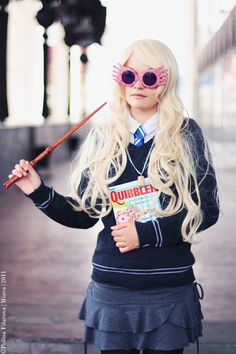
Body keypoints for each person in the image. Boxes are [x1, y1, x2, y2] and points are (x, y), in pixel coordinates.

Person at [9, 39, 220, 354]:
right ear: (119, 79)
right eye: (128, 75)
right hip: (113, 290)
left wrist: (146, 234)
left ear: (166, 82)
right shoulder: (103, 138)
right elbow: (82, 215)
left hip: (168, 290)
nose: (137, 85)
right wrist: (38, 191)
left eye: (149, 77)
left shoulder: (186, 134)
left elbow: (208, 209)